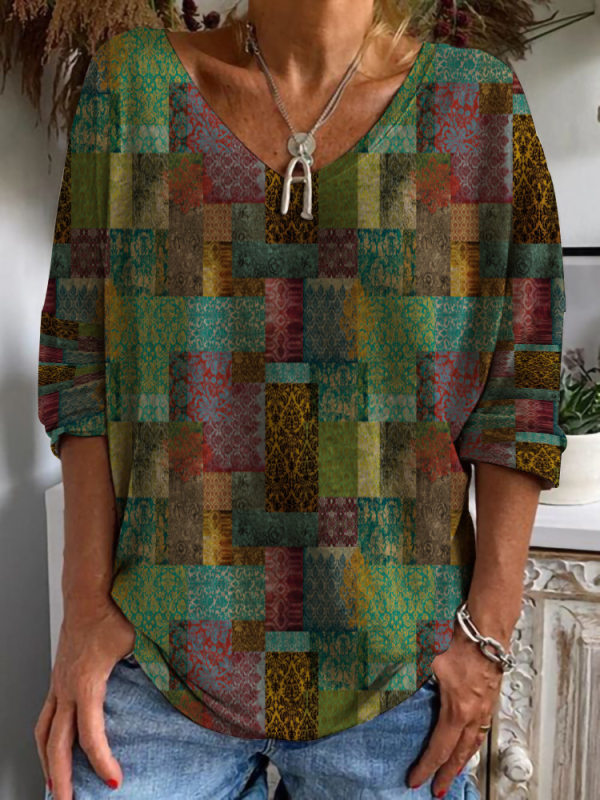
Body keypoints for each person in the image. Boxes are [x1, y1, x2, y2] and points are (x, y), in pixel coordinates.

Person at [34, 1, 567, 798]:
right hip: (154, 669)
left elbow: (519, 389)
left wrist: (486, 639)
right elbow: (80, 359)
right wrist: (82, 607)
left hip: (400, 686)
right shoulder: (132, 88)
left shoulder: (478, 108)